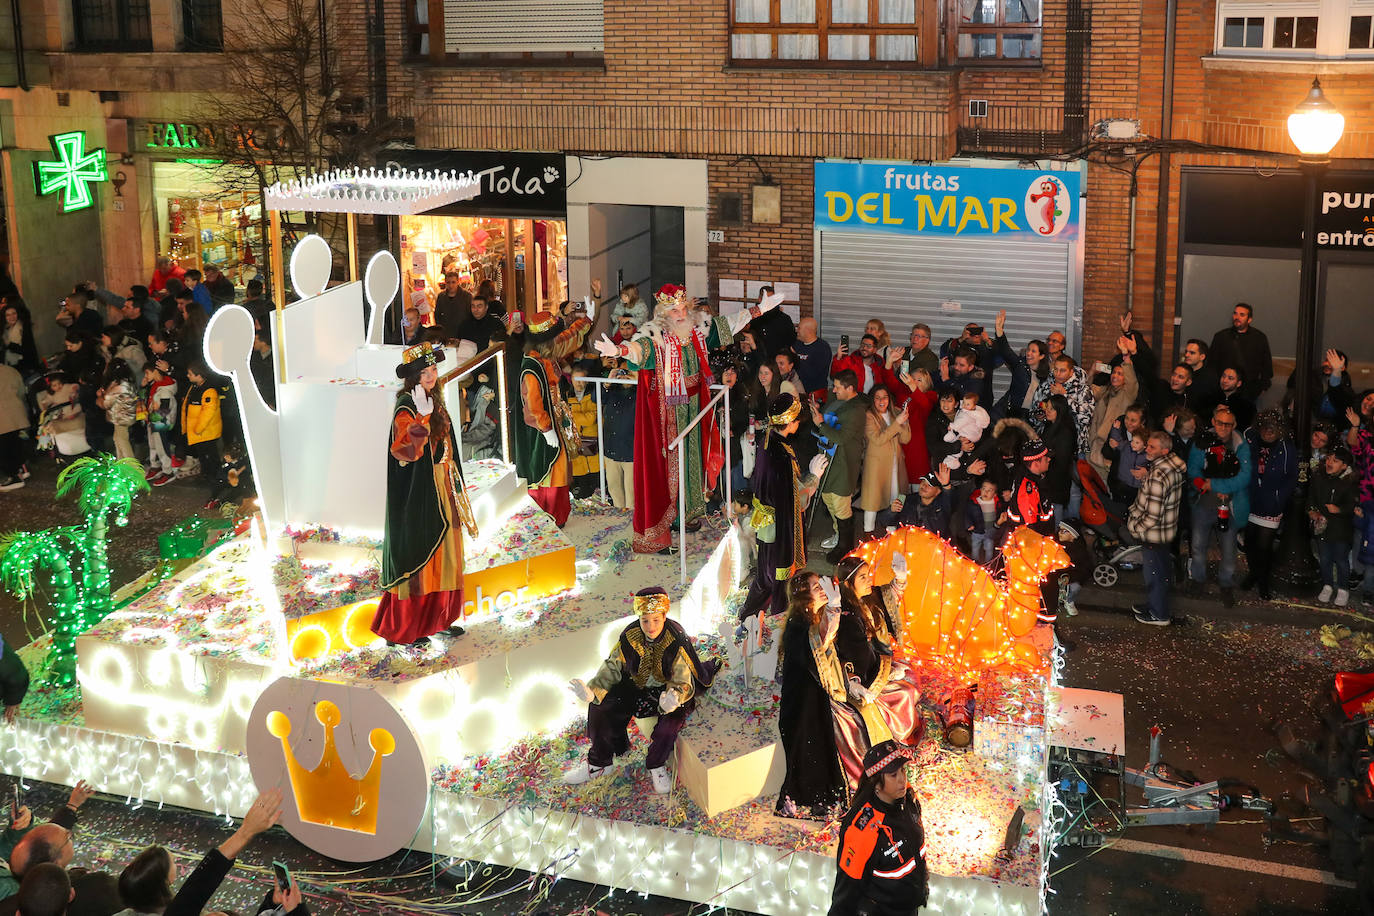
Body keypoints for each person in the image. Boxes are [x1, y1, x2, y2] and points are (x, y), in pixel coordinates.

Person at [595, 286, 782, 554]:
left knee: (694, 463)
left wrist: (760, 309)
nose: (681, 314)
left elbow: (728, 323)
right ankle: (665, 522)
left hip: (696, 408)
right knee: (669, 469)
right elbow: (639, 349)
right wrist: (620, 351)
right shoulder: (654, 335)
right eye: (675, 310)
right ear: (663, 313)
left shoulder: (698, 330)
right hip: (666, 416)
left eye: (684, 308)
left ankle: (685, 514)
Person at [563, 587, 717, 794]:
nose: (650, 626)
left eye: (655, 619)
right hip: (637, 688)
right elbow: (613, 665)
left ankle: (656, 765)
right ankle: (600, 762)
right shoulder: (630, 635)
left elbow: (682, 676)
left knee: (670, 723)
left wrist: (673, 698)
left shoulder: (676, 638)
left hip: (667, 693)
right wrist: (593, 691)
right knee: (600, 704)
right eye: (645, 620)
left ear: (664, 616)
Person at [370, 343, 470, 648]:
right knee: (422, 561)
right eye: (424, 372)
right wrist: (423, 420)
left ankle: (436, 619)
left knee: (445, 556)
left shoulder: (432, 400)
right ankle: (409, 627)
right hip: (421, 494)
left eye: (433, 370)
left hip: (442, 487)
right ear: (412, 378)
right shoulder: (407, 405)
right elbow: (404, 451)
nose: (430, 376)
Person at [775, 573, 883, 818]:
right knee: (824, 741)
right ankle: (820, 796)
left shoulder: (813, 617)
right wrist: (833, 610)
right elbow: (819, 643)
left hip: (820, 693)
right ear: (804, 597)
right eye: (816, 587)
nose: (822, 589)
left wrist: (850, 682)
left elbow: (831, 657)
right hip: (804, 702)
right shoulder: (798, 626)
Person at [739, 393, 828, 621]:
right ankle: (780, 620)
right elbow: (793, 498)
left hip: (767, 522)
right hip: (780, 528)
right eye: (797, 420)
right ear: (789, 422)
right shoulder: (781, 455)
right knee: (780, 575)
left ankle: (749, 614)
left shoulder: (768, 439)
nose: (799, 424)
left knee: (765, 574)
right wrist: (813, 478)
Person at [828, 740, 928, 916]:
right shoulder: (863, 831)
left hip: (909, 907)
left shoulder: (909, 800)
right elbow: (846, 891)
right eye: (893, 775)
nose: (902, 780)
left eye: (903, 771)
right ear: (875, 783)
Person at [834, 556, 923, 742]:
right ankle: (900, 734)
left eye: (868, 575)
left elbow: (887, 596)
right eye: (863, 578)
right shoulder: (846, 615)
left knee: (911, 674)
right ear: (849, 585)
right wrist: (887, 672)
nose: (870, 581)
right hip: (864, 674)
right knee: (905, 694)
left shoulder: (866, 597)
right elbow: (856, 657)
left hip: (877, 660)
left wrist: (900, 579)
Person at [519, 309, 592, 527]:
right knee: (549, 469)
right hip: (543, 429)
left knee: (559, 467)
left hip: (555, 419)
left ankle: (557, 514)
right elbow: (532, 403)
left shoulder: (546, 354)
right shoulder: (532, 366)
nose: (557, 341)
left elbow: (567, 339)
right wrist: (546, 428)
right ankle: (548, 515)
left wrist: (587, 320)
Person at [1186, 406, 1252, 607]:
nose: (1224, 427)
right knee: (1197, 545)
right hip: (1204, 502)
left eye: (1228, 424)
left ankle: (1226, 583)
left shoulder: (1241, 445)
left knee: (1229, 549)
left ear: (1234, 425)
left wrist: (1215, 484)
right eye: (1220, 423)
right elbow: (1193, 469)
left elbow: (1244, 476)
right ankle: (1197, 579)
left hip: (1229, 505)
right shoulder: (1202, 441)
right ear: (1214, 422)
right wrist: (1202, 485)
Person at [1127, 431, 1188, 625]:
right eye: (1148, 445)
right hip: (1166, 530)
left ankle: (1159, 614)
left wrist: (1135, 528)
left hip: (1153, 533)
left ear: (1165, 450)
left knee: (1154, 574)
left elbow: (1152, 515)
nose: (1147, 449)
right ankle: (1155, 604)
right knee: (1161, 570)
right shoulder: (1172, 466)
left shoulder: (1158, 475)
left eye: (1152, 447)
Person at [811, 369, 867, 563]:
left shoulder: (857, 410)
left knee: (841, 506)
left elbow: (842, 437)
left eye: (837, 387)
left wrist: (820, 423)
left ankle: (845, 545)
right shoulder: (841, 403)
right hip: (830, 462)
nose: (833, 390)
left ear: (850, 388)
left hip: (843, 464)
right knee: (829, 500)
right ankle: (838, 535)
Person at [858, 387, 910, 540]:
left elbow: (906, 439)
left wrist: (904, 422)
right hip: (877, 465)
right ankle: (868, 535)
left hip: (895, 462)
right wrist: (897, 424)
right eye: (877, 397)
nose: (882, 401)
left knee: (895, 496)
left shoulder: (896, 412)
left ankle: (892, 533)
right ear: (872, 400)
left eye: (885, 397)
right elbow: (878, 439)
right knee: (872, 501)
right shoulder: (869, 416)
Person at [1311, 445, 1357, 606]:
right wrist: (1312, 512)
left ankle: (1343, 588)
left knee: (1341, 559)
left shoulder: (1349, 482)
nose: (1330, 463)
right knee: (1324, 559)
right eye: (1329, 459)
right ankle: (1327, 585)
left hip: (1341, 530)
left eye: (1335, 461)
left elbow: (1353, 505)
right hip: (1322, 527)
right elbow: (1311, 498)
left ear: (1344, 465)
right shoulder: (1320, 477)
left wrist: (1340, 509)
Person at [1087, 338, 1139, 480]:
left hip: (1111, 448)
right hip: (1094, 445)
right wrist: (1092, 371)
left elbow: (1132, 381)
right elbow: (1087, 391)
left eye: (1120, 374)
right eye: (1114, 373)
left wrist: (1126, 356)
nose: (1115, 376)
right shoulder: (1105, 391)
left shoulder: (1127, 394)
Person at [1209, 303, 1272, 404]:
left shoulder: (1259, 338)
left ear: (1249, 319)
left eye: (1242, 315)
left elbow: (1266, 366)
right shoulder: (1221, 337)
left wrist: (1263, 387)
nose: (1237, 317)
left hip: (1250, 393)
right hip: (1223, 391)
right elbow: (1211, 364)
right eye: (1235, 314)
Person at [179, 362, 223, 505]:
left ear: (199, 375)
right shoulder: (194, 387)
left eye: (190, 374)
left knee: (211, 462)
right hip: (198, 434)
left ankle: (217, 490)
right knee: (206, 462)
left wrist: (198, 429)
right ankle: (214, 486)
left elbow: (208, 413)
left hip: (205, 434)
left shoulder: (208, 391)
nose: (188, 376)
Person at [96, 359, 138, 461]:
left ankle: (133, 468)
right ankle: (121, 463)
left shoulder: (119, 386)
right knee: (117, 438)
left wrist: (100, 397)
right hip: (121, 416)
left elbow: (106, 403)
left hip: (122, 417)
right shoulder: (124, 382)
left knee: (122, 440)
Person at [566, 374, 600, 499]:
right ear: (571, 380)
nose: (580, 383)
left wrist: (575, 416)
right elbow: (566, 418)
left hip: (594, 457)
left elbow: (594, 418)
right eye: (577, 380)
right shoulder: (566, 398)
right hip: (577, 460)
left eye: (583, 380)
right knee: (581, 498)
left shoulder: (593, 397)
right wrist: (586, 417)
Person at [0, 363, 27, 492]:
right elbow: (22, 390)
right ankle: (21, 470)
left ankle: (14, 477)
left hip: (2, 418)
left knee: (4, 449)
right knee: (15, 442)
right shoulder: (11, 370)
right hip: (16, 412)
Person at [792, 317, 833, 399]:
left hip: (814, 395)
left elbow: (813, 374)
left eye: (799, 328)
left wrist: (794, 356)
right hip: (796, 391)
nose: (797, 331)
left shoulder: (822, 348)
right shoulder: (797, 344)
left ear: (807, 330)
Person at [1207, 367, 1255, 434]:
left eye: (1230, 378)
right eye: (1223, 376)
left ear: (1238, 383)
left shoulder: (1246, 404)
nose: (1225, 380)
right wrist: (1214, 412)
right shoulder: (1210, 397)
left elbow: (1246, 427)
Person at [2, 302, 39, 378]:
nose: (12, 317)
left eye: (14, 313)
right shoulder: (4, 331)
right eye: (8, 315)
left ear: (18, 314)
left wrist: (9, 344)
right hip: (11, 368)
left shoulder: (23, 328)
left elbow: (27, 350)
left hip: (26, 367)